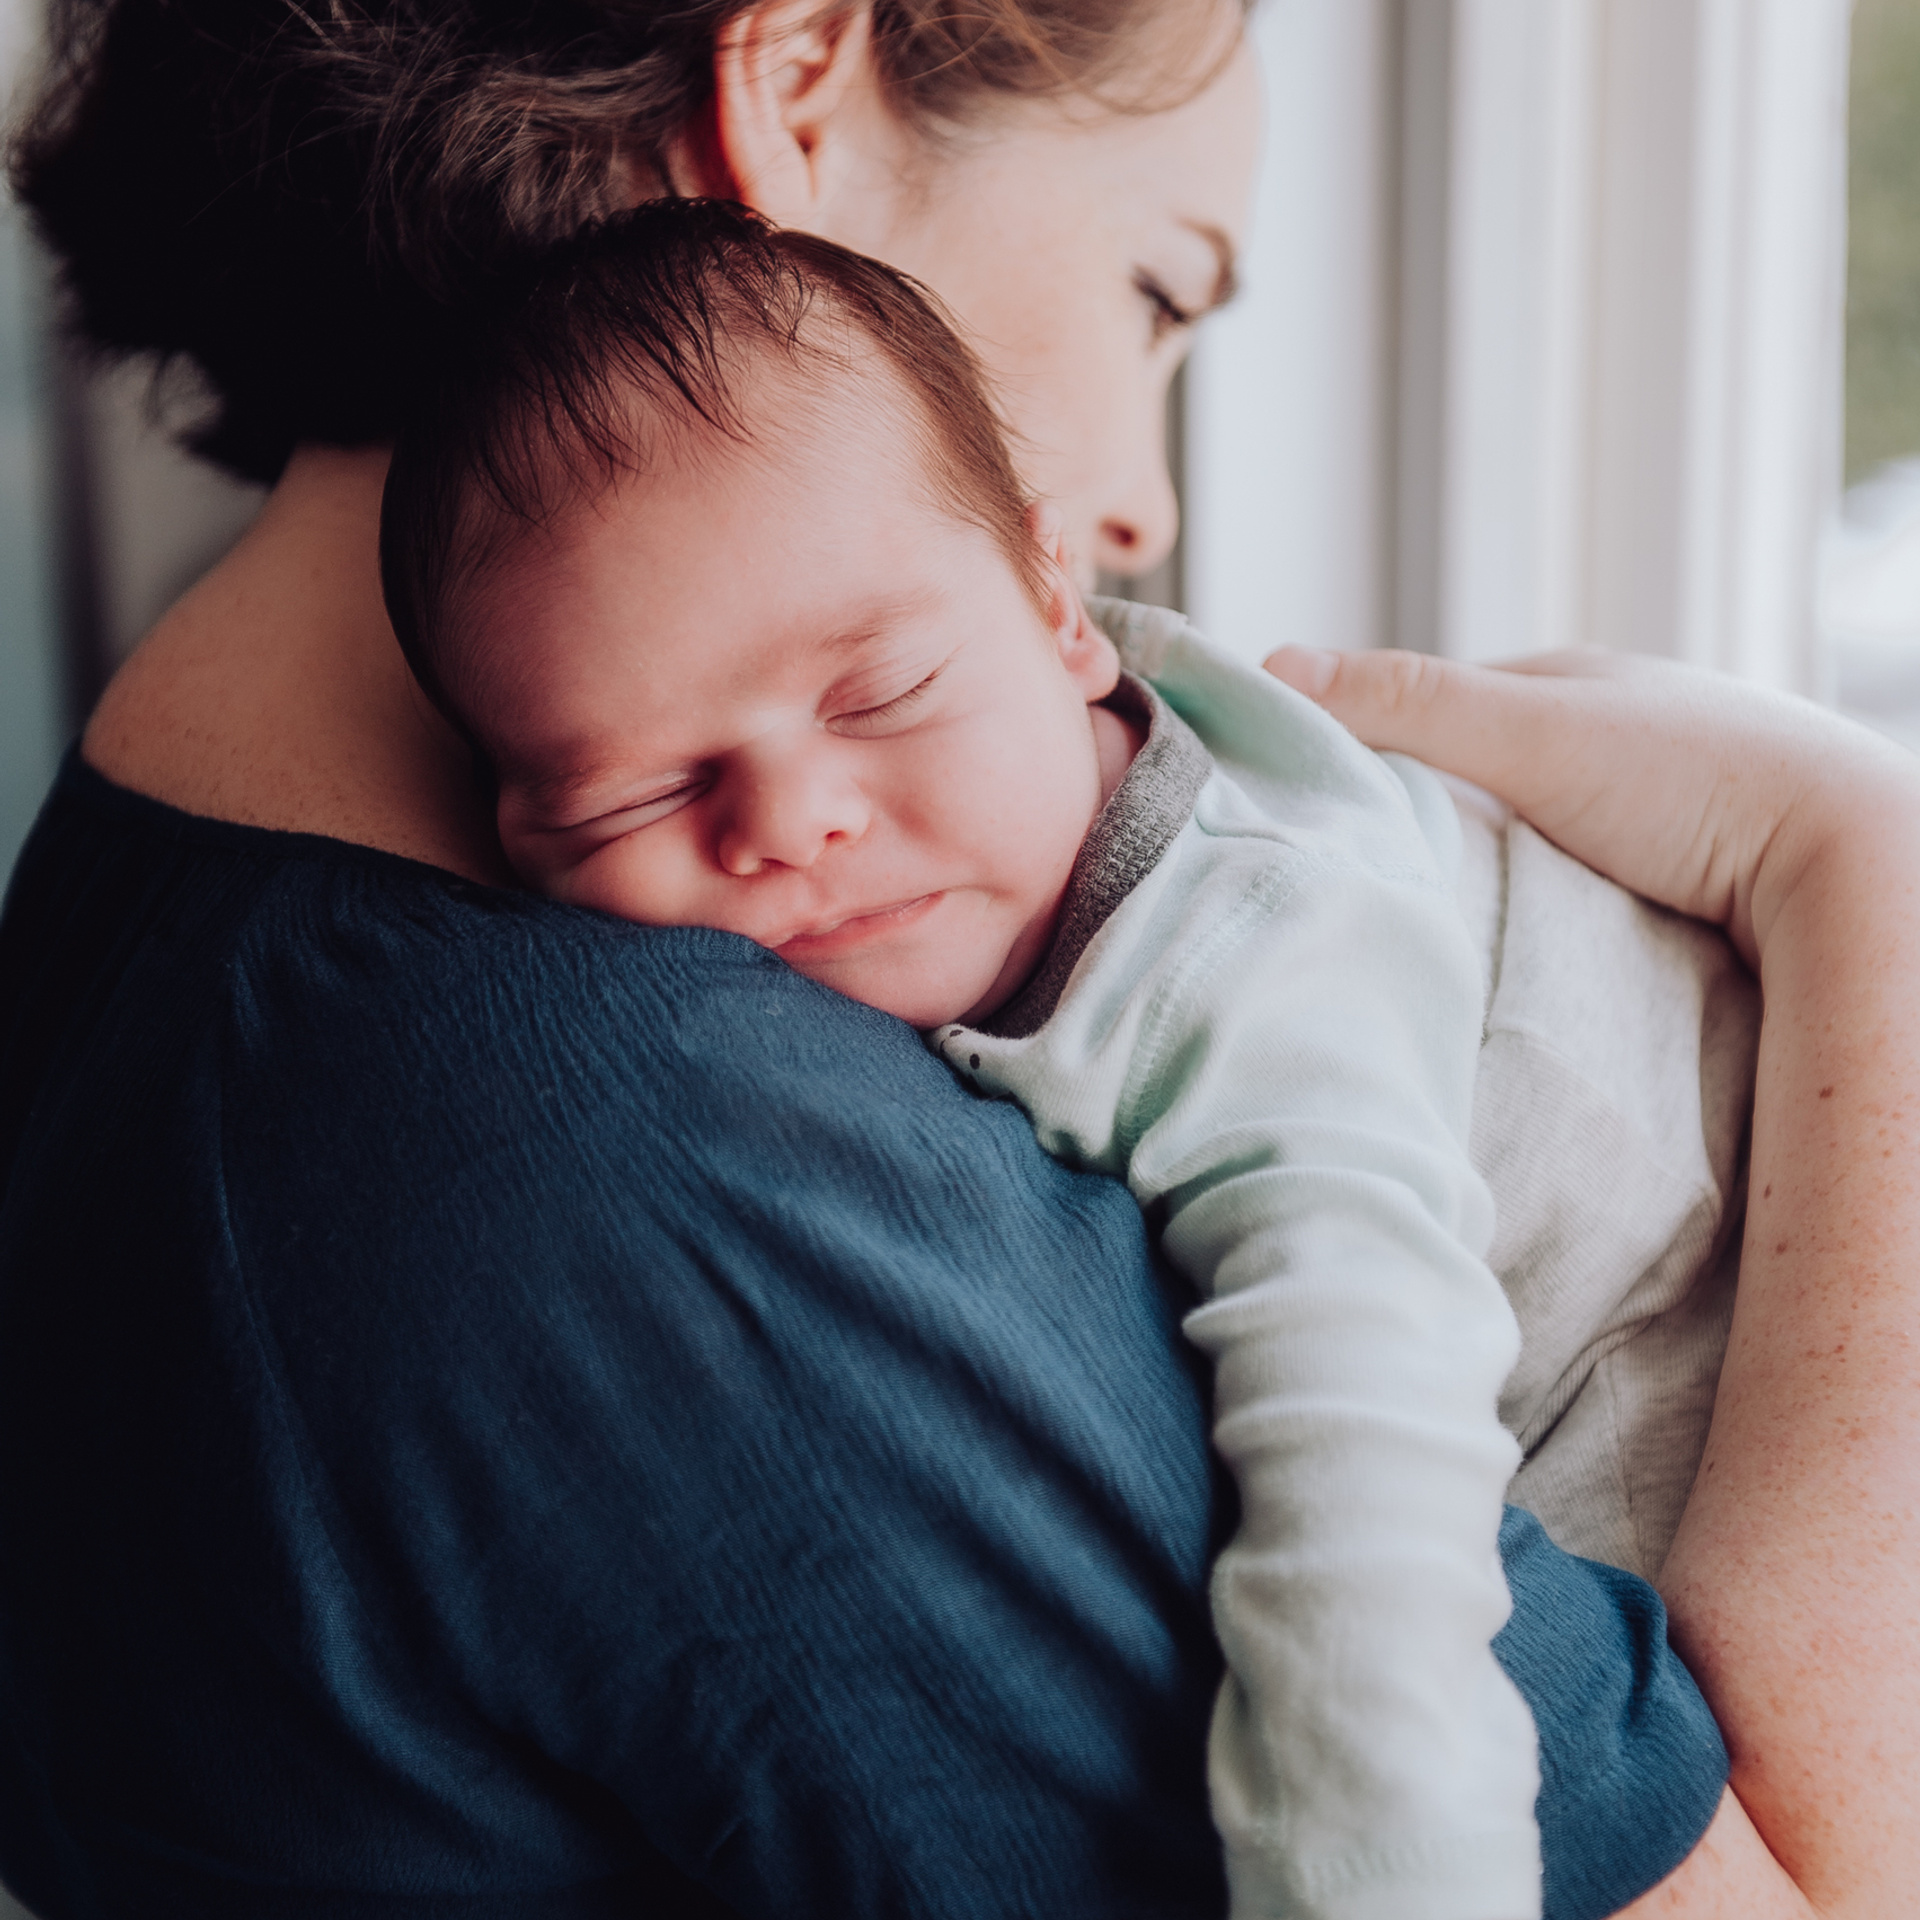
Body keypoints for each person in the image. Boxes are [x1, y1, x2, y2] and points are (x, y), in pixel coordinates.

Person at [0, 1, 1911, 1915]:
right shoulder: (648, 1172)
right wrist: (1850, 863)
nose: (1142, 504)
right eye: (1158, 288)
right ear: (800, 93)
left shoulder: (154, 866)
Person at [373, 198, 1756, 1920]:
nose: (791, 820)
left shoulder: (1259, 975)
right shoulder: (984, 799)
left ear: (1061, 607)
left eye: (876, 694)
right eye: (637, 797)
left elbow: (1373, 1500)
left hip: (1689, 1290)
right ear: (509, 834)